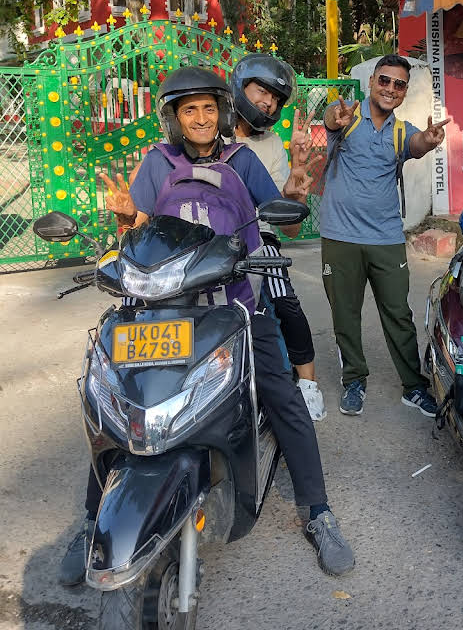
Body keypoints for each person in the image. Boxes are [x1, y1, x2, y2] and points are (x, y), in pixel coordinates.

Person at [59, 66, 354, 586]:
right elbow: (141, 230)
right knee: (120, 404)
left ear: (222, 113)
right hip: (167, 310)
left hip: (235, 304)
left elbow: (282, 218)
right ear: (173, 116)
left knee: (283, 397)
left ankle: (318, 511)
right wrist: (128, 217)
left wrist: (298, 190)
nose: (200, 118)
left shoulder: (242, 160)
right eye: (188, 109)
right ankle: (91, 523)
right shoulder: (157, 161)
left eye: (209, 109)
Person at [320, 54, 448, 417]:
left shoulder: (400, 130)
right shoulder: (346, 115)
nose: (391, 88)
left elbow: (417, 145)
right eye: (385, 81)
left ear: (404, 91)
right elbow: (331, 118)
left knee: (398, 313)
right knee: (345, 314)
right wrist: (335, 118)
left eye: (399, 84)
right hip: (340, 236)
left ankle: (413, 386)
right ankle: (354, 380)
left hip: (386, 237)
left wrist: (429, 138)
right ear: (372, 81)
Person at [230, 53, 326, 421]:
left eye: (275, 98)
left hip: (260, 237)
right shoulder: (212, 134)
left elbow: (289, 228)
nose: (268, 102)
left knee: (285, 300)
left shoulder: (270, 144)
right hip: (212, 234)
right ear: (240, 86)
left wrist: (294, 195)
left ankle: (308, 384)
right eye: (262, 91)